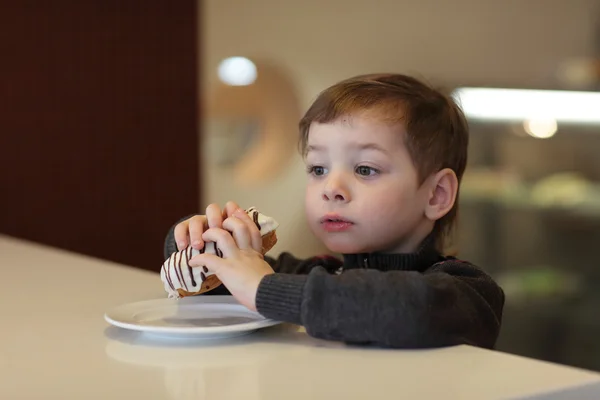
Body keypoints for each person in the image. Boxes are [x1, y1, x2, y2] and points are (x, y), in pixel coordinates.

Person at [164, 73, 505, 349]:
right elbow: (222, 286)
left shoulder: (463, 291)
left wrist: (264, 288)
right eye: (318, 169)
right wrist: (199, 240)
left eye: (365, 169)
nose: (331, 189)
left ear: (436, 195)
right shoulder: (313, 275)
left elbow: (409, 310)